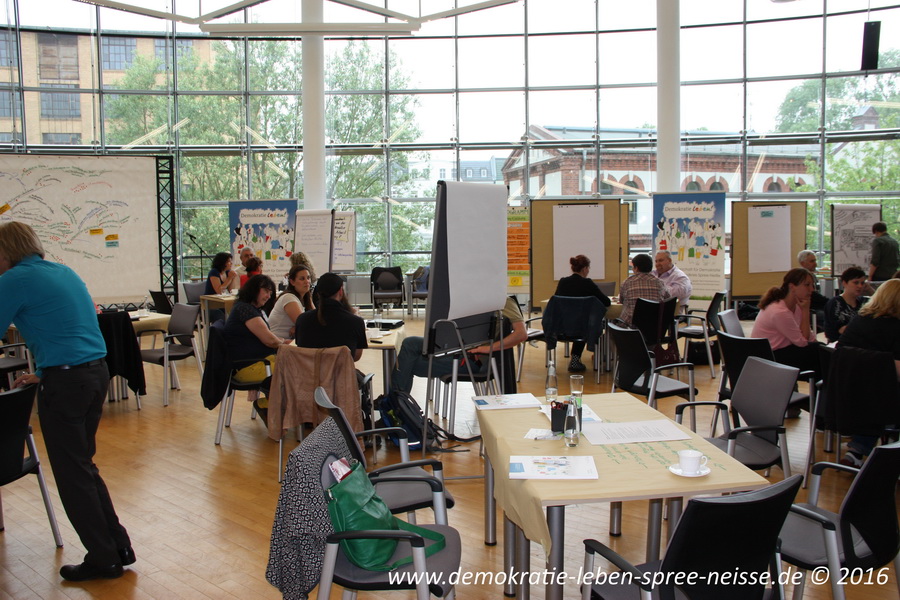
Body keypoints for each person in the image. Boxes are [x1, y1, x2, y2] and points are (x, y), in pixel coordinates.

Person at [0, 222, 133, 582]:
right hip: (95, 374)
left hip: (67, 383)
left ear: (6, 251)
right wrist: (44, 371)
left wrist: (52, 372)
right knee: (83, 466)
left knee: (72, 474)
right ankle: (118, 546)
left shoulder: (14, 279)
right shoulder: (63, 271)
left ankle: (104, 558)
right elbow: (72, 329)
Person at [392, 295, 527, 395]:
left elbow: (521, 334)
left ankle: (396, 408)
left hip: (473, 360)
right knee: (410, 343)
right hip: (458, 348)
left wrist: (487, 349)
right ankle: (398, 406)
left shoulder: (504, 301)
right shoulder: (473, 299)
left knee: (407, 364)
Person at [835, 278, 900, 466]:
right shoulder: (895, 327)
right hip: (879, 401)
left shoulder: (859, 320)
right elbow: (896, 370)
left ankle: (857, 451)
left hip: (846, 395)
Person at [224, 274, 292, 419]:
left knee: (294, 365)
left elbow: (268, 337)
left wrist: (282, 341)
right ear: (254, 289)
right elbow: (269, 340)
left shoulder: (246, 308)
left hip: (254, 363)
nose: (268, 296)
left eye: (270, 293)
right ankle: (269, 407)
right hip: (248, 367)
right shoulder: (246, 310)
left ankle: (283, 411)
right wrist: (284, 343)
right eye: (266, 291)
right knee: (296, 371)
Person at [750, 267, 820, 375]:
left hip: (782, 351)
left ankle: (824, 384)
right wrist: (806, 311)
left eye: (812, 285)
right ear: (792, 287)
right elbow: (802, 342)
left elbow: (809, 336)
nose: (812, 289)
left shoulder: (796, 306)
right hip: (769, 358)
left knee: (822, 351)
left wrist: (822, 346)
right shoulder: (780, 312)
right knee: (818, 355)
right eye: (807, 285)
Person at [554, 254, 611, 372]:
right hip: (583, 329)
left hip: (562, 327)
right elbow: (606, 302)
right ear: (585, 268)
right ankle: (582, 359)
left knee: (579, 321)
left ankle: (574, 360)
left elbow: (556, 300)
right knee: (585, 322)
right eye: (588, 268)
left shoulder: (563, 282)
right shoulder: (587, 283)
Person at [295, 272, 367, 361]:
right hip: (341, 370)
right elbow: (355, 357)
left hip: (309, 369)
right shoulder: (355, 322)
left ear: (318, 294)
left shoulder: (302, 320)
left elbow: (300, 349)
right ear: (341, 291)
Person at [618, 253, 667, 325]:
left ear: (636, 268)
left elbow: (621, 301)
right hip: (654, 326)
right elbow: (667, 299)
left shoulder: (627, 282)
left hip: (630, 326)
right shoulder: (660, 283)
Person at [823, 266, 868, 343]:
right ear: (844, 283)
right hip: (840, 344)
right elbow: (833, 332)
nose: (860, 286)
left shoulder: (864, 302)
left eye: (862, 283)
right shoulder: (835, 303)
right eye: (856, 282)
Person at [269, 264, 314, 339]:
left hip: (290, 342)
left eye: (308, 278)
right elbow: (305, 325)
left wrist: (297, 327)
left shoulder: (306, 297)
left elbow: (316, 320)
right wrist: (299, 327)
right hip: (278, 343)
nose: (307, 281)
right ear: (292, 282)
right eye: (302, 279)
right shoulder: (288, 298)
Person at [797, 249, 829, 314]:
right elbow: (812, 295)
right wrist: (830, 302)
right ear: (803, 263)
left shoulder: (812, 275)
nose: (815, 264)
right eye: (812, 261)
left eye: (815, 260)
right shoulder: (801, 278)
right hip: (810, 308)